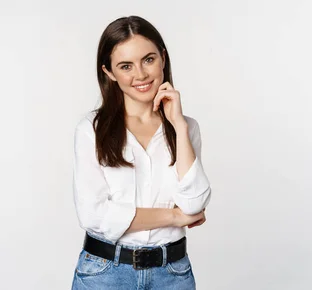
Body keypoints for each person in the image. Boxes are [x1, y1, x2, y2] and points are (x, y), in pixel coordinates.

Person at [71, 15, 211, 290]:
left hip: (172, 274)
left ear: (163, 57)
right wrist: (173, 216)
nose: (141, 75)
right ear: (109, 73)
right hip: (104, 274)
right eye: (126, 66)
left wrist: (179, 126)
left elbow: (194, 204)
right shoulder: (91, 129)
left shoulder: (187, 128)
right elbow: (94, 215)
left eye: (148, 59)